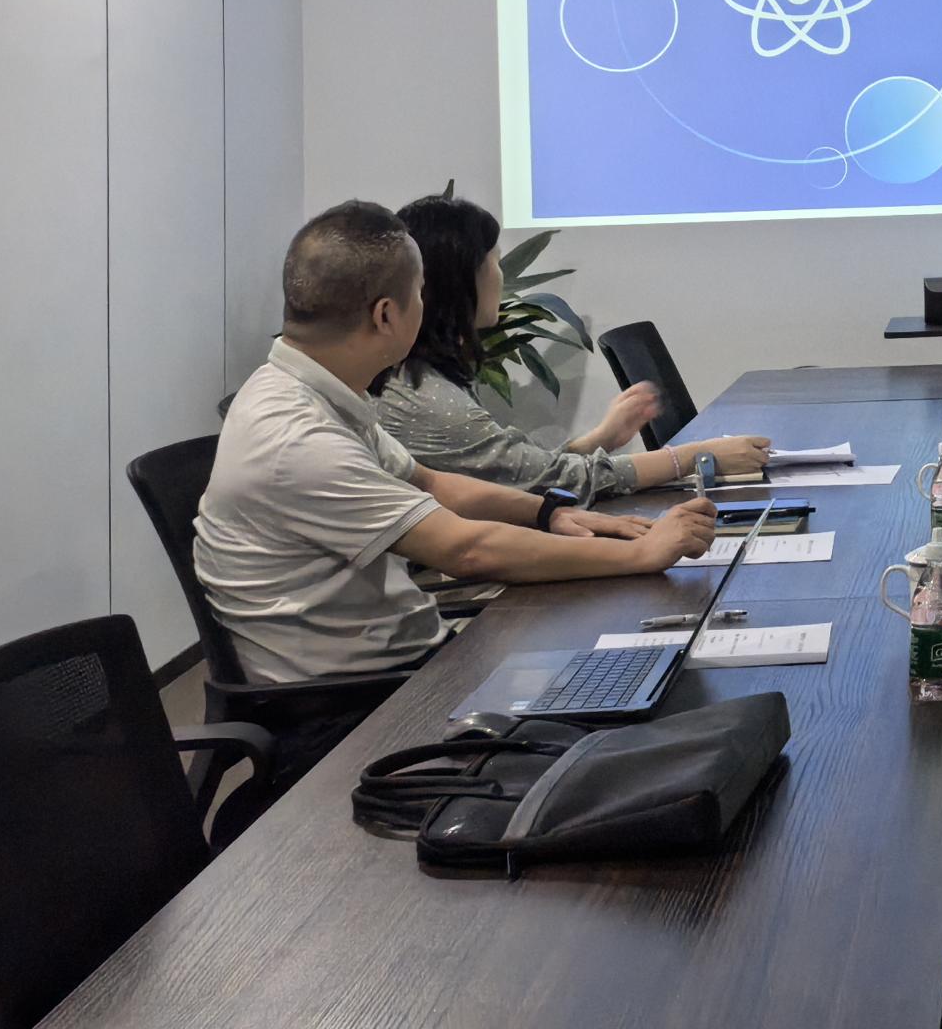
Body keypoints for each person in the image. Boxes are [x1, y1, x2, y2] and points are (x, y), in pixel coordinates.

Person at [196, 202, 721, 771]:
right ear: (386, 315)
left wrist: (548, 514)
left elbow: (432, 483)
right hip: (358, 710)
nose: (427, 305)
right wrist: (641, 554)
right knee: (645, 738)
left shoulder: (315, 391)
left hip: (408, 665)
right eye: (421, 293)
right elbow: (465, 549)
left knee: (642, 685)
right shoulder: (298, 438)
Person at [380, 191, 770, 499]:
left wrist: (598, 440)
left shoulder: (426, 378)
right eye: (494, 262)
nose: (501, 276)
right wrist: (693, 457)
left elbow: (516, 469)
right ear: (459, 281)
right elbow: (545, 482)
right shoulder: (426, 397)